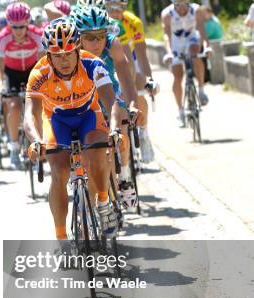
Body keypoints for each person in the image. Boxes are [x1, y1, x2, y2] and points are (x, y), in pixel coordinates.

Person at [25, 18, 118, 240]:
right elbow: (30, 115)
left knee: (97, 153)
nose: (64, 60)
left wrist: (115, 130)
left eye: (68, 53)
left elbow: (110, 102)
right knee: (58, 171)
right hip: (57, 120)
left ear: (77, 49)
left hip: (88, 115)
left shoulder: (93, 65)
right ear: (49, 56)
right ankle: (61, 238)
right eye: (57, 56)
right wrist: (36, 140)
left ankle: (104, 203)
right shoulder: (39, 74)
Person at [71, 5, 143, 212]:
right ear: (78, 37)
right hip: (82, 96)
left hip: (110, 89)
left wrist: (131, 105)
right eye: (90, 37)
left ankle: (126, 176)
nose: (96, 43)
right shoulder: (70, 50)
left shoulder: (113, 45)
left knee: (121, 121)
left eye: (101, 36)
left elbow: (126, 76)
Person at [106, 0, 158, 164]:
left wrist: (149, 78)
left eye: (118, 9)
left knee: (137, 88)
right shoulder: (102, 22)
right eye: (111, 9)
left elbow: (141, 55)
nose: (114, 13)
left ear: (125, 8)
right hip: (108, 59)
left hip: (129, 58)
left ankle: (143, 134)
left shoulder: (133, 22)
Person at [0, 2, 44, 170]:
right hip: (11, 73)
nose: (18, 31)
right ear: (9, 24)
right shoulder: (2, 37)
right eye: (14, 27)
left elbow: (45, 61)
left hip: (32, 70)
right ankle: (14, 148)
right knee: (14, 106)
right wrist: (1, 86)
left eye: (22, 26)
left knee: (37, 107)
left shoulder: (38, 35)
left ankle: (39, 147)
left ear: (28, 23)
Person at [161, 0, 212, 128]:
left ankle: (200, 90)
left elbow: (202, 31)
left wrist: (206, 47)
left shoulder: (197, 10)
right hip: (176, 43)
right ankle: (180, 111)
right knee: (177, 76)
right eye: (179, 4)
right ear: (174, 4)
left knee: (195, 54)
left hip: (192, 39)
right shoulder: (167, 14)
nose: (182, 8)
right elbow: (166, 36)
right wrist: (169, 53)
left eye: (185, 4)